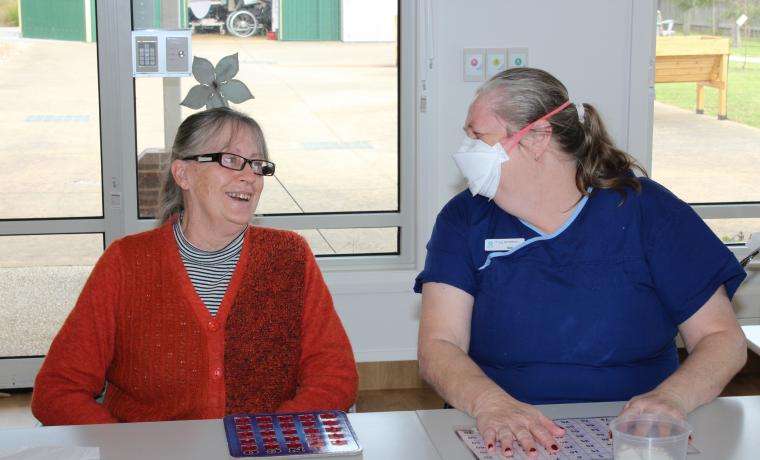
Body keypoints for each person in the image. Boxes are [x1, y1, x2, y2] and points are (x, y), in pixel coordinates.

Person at [415, 68, 747, 457]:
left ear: (538, 138)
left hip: (633, 431)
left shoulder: (647, 212)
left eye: (478, 137)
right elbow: (439, 344)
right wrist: (490, 403)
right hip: (498, 424)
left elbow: (721, 339)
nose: (465, 150)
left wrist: (670, 399)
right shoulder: (464, 219)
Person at [32, 107, 358, 425]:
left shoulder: (289, 256)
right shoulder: (126, 263)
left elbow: (335, 377)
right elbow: (57, 391)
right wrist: (127, 451)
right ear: (183, 174)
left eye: (257, 165)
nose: (250, 177)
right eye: (230, 160)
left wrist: (270, 440)